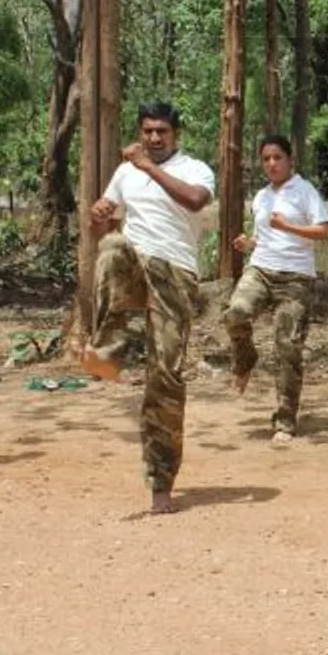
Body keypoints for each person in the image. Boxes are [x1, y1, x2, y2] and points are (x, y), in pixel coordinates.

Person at [82, 101, 215, 514]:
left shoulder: (194, 168)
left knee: (166, 376)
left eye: (162, 132)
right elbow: (105, 222)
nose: (154, 139)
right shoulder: (125, 173)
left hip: (176, 275)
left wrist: (149, 168)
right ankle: (108, 349)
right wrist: (99, 215)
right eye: (147, 132)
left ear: (176, 134)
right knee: (112, 246)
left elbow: (196, 201)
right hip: (136, 266)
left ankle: (161, 480)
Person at [223, 135, 328, 443]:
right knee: (236, 313)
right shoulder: (261, 196)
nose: (271, 163)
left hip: (296, 276)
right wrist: (248, 244)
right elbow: (262, 236)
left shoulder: (305, 190)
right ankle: (244, 358)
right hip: (261, 268)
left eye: (277, 157)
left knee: (287, 347)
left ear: (290, 160)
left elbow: (325, 231)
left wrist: (289, 227)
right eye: (266, 158)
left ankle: (285, 420)